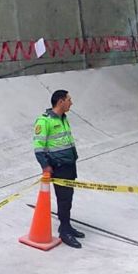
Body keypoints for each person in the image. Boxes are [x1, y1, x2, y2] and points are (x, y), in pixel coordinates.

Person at [33, 90, 84, 249]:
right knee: (63, 199)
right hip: (59, 167)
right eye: (69, 99)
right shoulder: (44, 121)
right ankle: (64, 231)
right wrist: (46, 166)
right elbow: (38, 147)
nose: (71, 103)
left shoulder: (64, 118)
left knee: (68, 198)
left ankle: (67, 226)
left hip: (69, 164)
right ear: (60, 102)